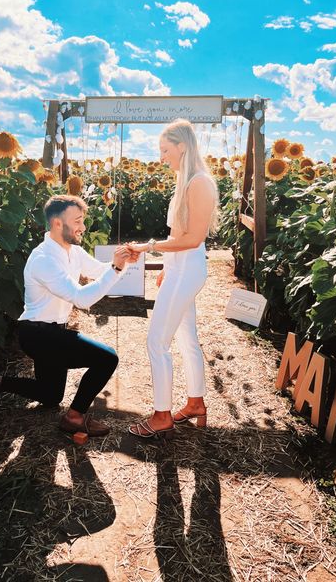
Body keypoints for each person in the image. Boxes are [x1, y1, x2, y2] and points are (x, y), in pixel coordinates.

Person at [0, 194, 137, 437]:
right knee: (107, 359)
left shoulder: (73, 251)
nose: (83, 227)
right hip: (37, 334)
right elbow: (82, 298)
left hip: (53, 331)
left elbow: (101, 272)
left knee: (50, 395)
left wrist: (122, 263)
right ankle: (74, 417)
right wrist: (115, 269)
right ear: (57, 224)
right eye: (78, 221)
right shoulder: (43, 260)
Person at [127, 119, 218, 440]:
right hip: (179, 270)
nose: (161, 157)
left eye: (165, 150)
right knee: (186, 339)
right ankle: (195, 403)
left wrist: (146, 247)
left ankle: (162, 415)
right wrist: (166, 265)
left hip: (188, 270)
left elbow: (193, 239)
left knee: (156, 342)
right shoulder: (186, 180)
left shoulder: (200, 183)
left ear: (183, 146)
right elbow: (177, 233)